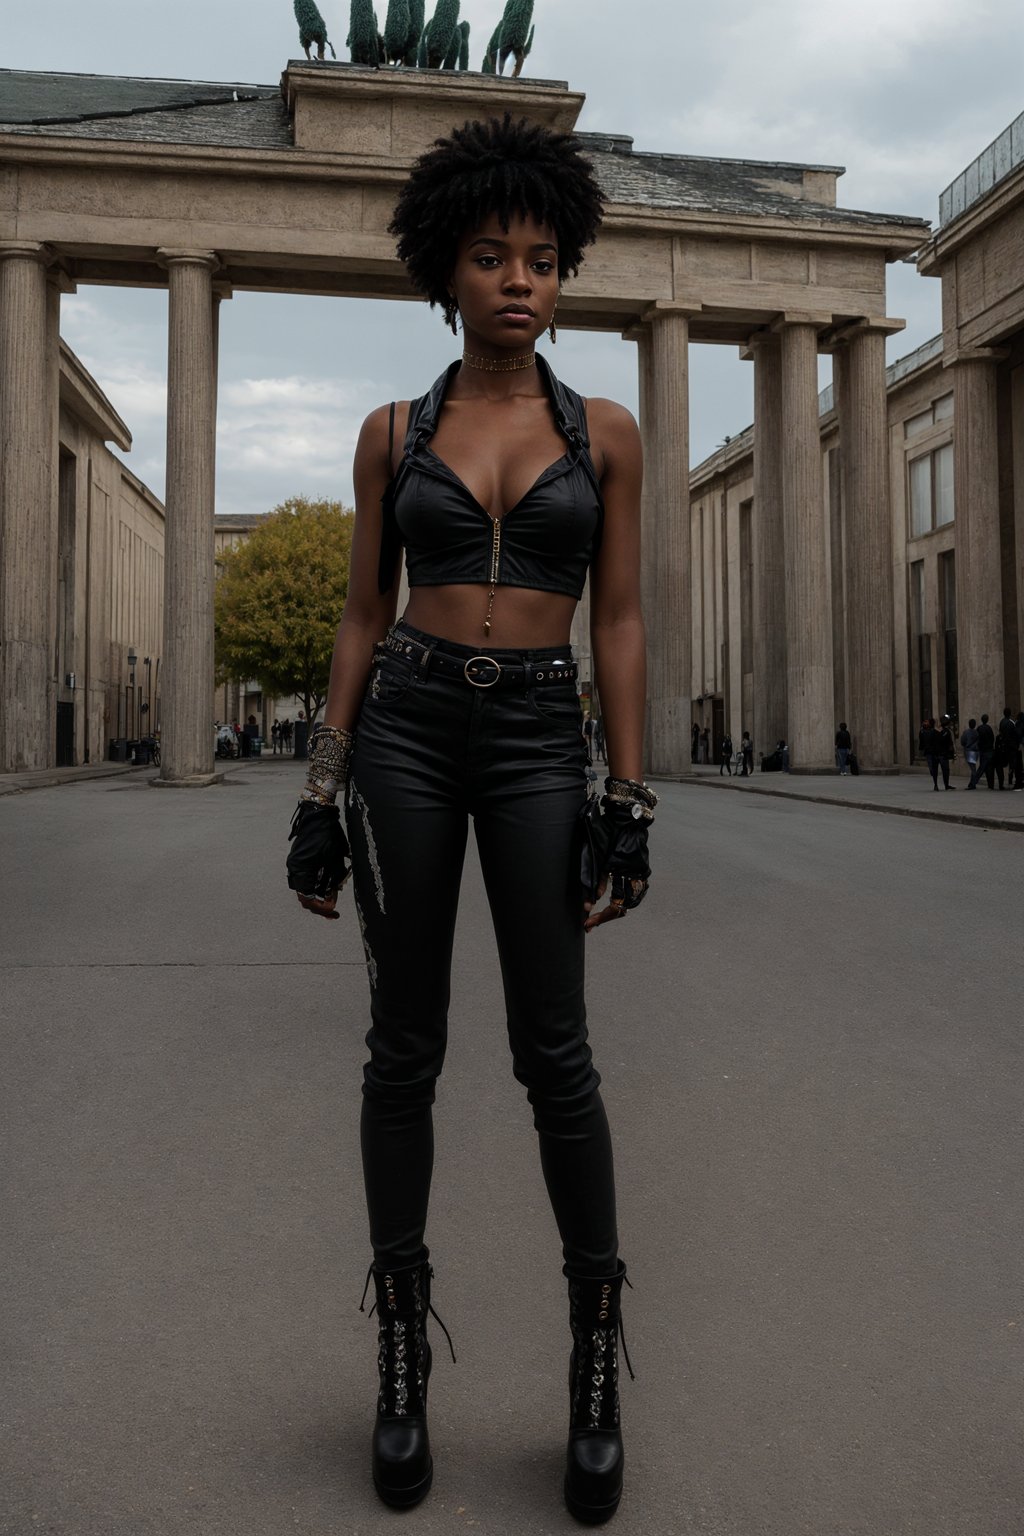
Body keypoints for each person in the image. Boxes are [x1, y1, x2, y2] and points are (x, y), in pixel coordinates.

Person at [284, 117, 647, 1524]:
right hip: (414, 731)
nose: (519, 281)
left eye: (543, 261)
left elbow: (616, 619)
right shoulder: (394, 433)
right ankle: (399, 1362)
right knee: (402, 1053)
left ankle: (596, 1370)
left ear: (564, 277)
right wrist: (321, 795)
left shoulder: (601, 433)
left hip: (540, 735)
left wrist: (628, 798)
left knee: (556, 1054)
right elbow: (362, 611)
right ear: (448, 269)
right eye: (493, 257)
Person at [925, 715, 955, 790]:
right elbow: (950, 744)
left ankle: (936, 785)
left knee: (936, 770)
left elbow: (929, 743)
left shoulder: (933, 732)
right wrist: (951, 754)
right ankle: (946, 785)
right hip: (942, 754)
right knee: (945, 770)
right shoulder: (946, 732)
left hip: (936, 754)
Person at [998, 707, 1020, 789]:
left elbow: (1000, 733)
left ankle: (1003, 783)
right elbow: (1016, 734)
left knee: (1003, 763)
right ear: (1010, 714)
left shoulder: (1002, 722)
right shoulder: (1011, 723)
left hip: (1004, 746)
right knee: (1013, 764)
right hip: (1011, 747)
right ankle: (1012, 780)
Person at [973, 713, 996, 789]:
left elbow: (977, 738)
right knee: (989, 768)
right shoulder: (989, 728)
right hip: (989, 750)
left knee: (982, 767)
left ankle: (973, 782)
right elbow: (992, 738)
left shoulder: (979, 728)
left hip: (983, 750)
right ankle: (990, 784)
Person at [960, 718, 979, 786]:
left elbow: (962, 741)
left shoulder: (966, 732)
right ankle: (972, 782)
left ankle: (973, 783)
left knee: (973, 768)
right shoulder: (976, 732)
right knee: (973, 767)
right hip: (975, 751)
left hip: (969, 751)